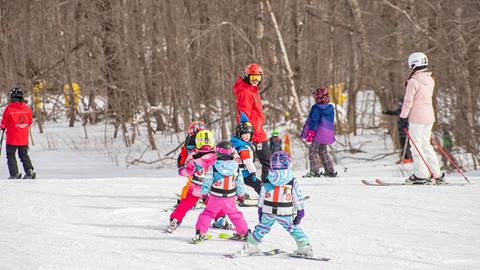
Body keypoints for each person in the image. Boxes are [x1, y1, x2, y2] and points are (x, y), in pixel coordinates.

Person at [240, 151, 313, 257]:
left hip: (268, 210)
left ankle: (250, 246)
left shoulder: (267, 179)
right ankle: (304, 247)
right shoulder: (291, 181)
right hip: (285, 211)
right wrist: (300, 211)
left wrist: (260, 210)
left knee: (262, 228)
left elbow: (262, 196)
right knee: (292, 228)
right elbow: (297, 197)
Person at [192, 141, 249, 243]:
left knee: (208, 213)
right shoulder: (236, 168)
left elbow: (207, 182)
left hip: (215, 197)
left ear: (218, 153)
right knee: (235, 214)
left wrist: (204, 194)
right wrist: (241, 195)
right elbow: (240, 183)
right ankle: (244, 233)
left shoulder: (213, 167)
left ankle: (200, 233)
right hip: (230, 198)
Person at [400, 52, 443, 184]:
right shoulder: (430, 80)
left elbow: (408, 102)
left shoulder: (413, 82)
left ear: (413, 64)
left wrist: (403, 117)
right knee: (426, 144)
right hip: (429, 116)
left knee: (416, 146)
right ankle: (436, 173)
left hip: (417, 118)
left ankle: (422, 174)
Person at [165, 130, 217, 233]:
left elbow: (188, 171)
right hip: (209, 187)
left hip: (196, 186)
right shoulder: (215, 156)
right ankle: (220, 218)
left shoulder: (193, 155)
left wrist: (181, 170)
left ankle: (175, 219)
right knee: (213, 203)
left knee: (187, 202)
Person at [233, 63, 271, 184]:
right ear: (247, 76)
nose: (255, 80)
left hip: (258, 131)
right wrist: (248, 134)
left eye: (258, 78)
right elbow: (244, 115)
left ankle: (266, 185)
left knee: (264, 160)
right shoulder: (246, 92)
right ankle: (237, 186)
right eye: (253, 77)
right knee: (251, 161)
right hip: (253, 134)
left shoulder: (253, 91)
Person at [0, 87, 35, 179]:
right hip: (23, 137)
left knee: (11, 155)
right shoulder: (27, 108)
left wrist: (3, 127)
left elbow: (4, 123)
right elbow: (30, 121)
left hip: (12, 138)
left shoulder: (9, 108)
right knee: (24, 155)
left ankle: (14, 174)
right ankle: (29, 172)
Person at [301, 87, 336, 177]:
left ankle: (314, 171)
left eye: (316, 97)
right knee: (323, 151)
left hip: (317, 134)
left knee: (312, 151)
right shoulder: (330, 107)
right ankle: (329, 171)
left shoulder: (316, 108)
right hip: (326, 134)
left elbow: (314, 121)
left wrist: (310, 133)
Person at [231, 113, 261, 196]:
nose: (247, 136)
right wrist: (253, 173)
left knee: (237, 185)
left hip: (238, 172)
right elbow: (247, 161)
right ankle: (265, 197)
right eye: (245, 134)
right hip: (244, 172)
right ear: (239, 134)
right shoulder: (243, 147)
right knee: (258, 184)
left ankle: (238, 195)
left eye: (249, 134)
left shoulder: (238, 144)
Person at [383, 98, 413, 163]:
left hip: (407, 130)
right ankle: (404, 157)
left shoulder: (409, 111)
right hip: (401, 130)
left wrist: (408, 127)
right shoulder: (400, 111)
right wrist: (387, 112)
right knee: (402, 144)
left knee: (407, 145)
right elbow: (394, 113)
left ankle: (409, 158)